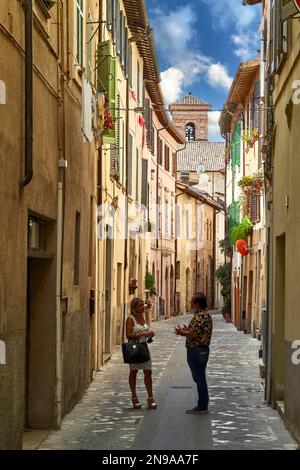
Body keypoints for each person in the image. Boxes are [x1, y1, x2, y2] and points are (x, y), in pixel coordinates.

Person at [175, 292, 213, 414]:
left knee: (199, 378)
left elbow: (194, 334)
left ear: (197, 303)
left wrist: (182, 332)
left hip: (197, 350)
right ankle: (203, 403)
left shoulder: (199, 316)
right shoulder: (206, 314)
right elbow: (198, 332)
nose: (190, 303)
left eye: (192, 301)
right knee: (200, 377)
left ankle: (202, 405)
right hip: (202, 350)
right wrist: (187, 330)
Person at [126, 297, 157, 409]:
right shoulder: (130, 319)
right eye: (140, 305)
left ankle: (150, 397)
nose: (143, 307)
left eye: (143, 305)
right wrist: (143, 334)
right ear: (134, 308)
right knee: (133, 372)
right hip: (134, 348)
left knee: (148, 372)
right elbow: (128, 335)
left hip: (144, 348)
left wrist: (150, 333)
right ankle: (134, 397)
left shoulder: (143, 318)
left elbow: (146, 331)